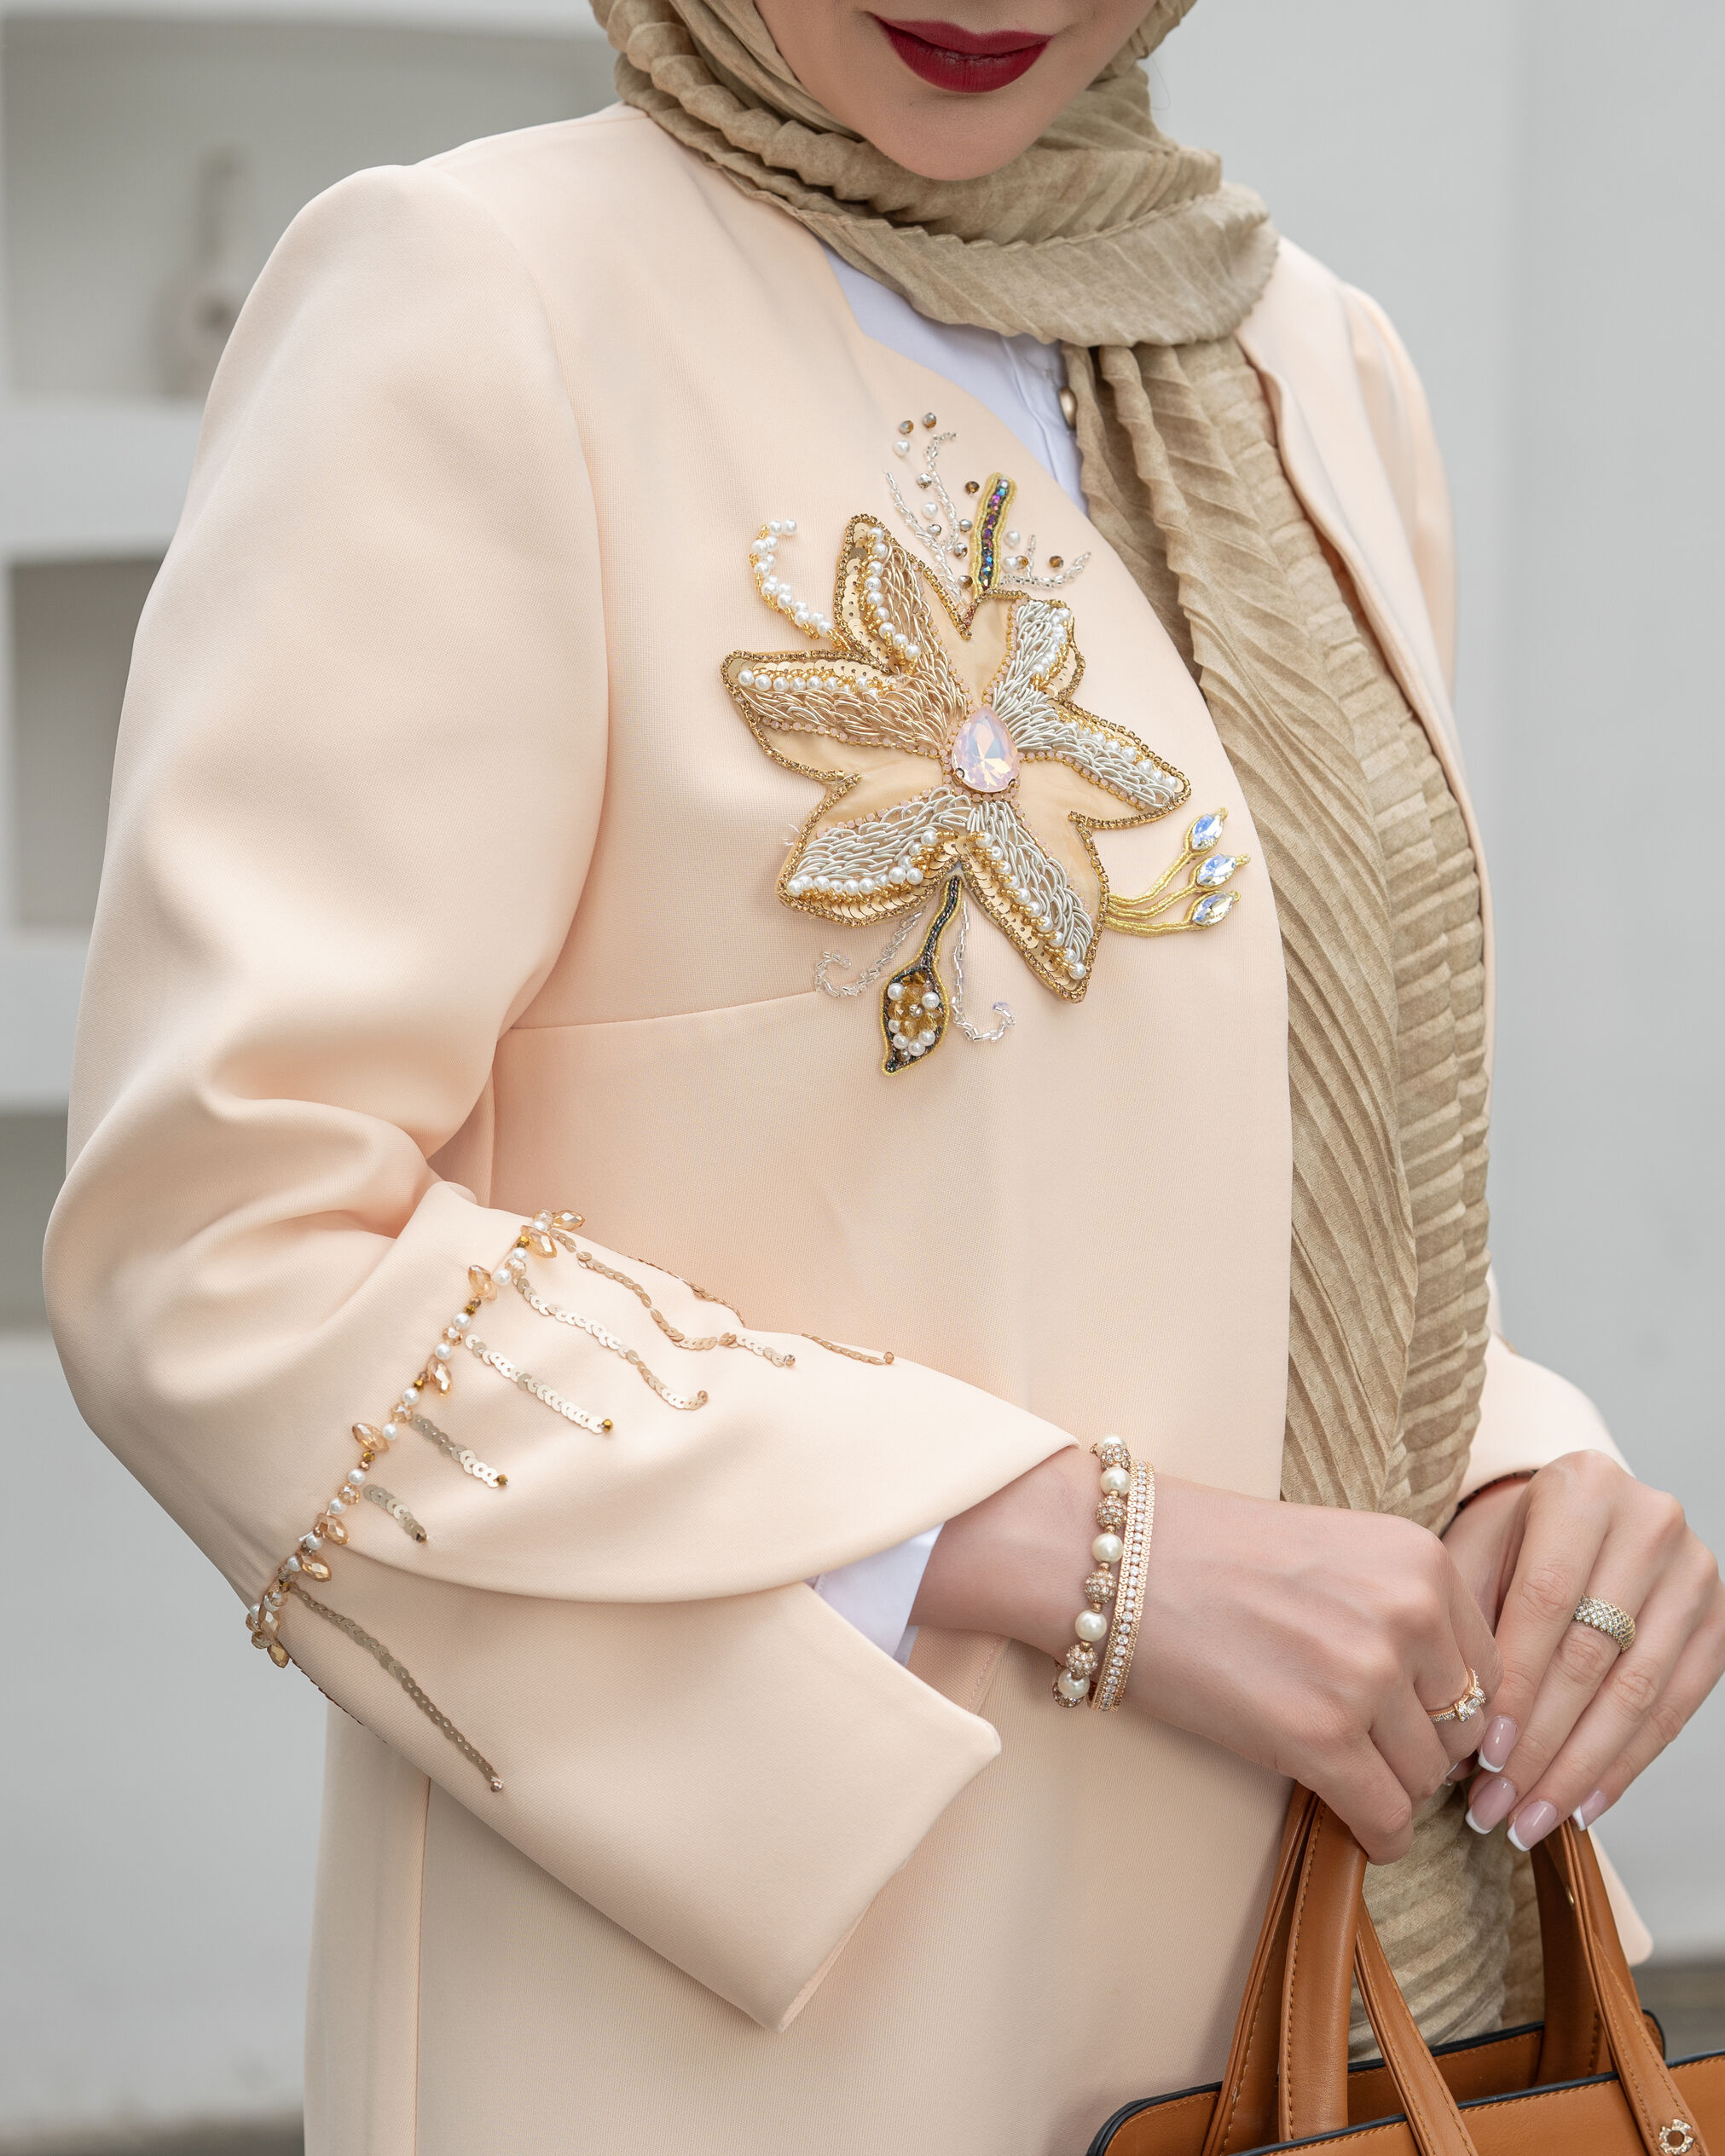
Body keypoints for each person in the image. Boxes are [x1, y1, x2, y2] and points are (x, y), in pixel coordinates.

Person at [44, 2, 1725, 2150]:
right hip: (778, 2029)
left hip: (1319, 1996)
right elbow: (227, 1248)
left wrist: (1508, 1468)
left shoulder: (1305, 362)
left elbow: (1284, 1124)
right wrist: (1082, 1554)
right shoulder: (485, 306)